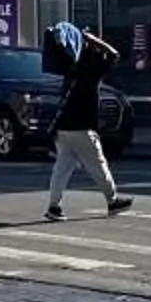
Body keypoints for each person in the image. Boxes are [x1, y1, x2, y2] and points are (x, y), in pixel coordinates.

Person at [40, 23, 131, 222]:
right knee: (98, 165)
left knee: (62, 168)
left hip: (63, 126)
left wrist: (84, 39)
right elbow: (115, 54)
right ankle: (113, 201)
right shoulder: (92, 65)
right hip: (82, 126)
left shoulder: (70, 65)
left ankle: (54, 206)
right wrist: (91, 39)